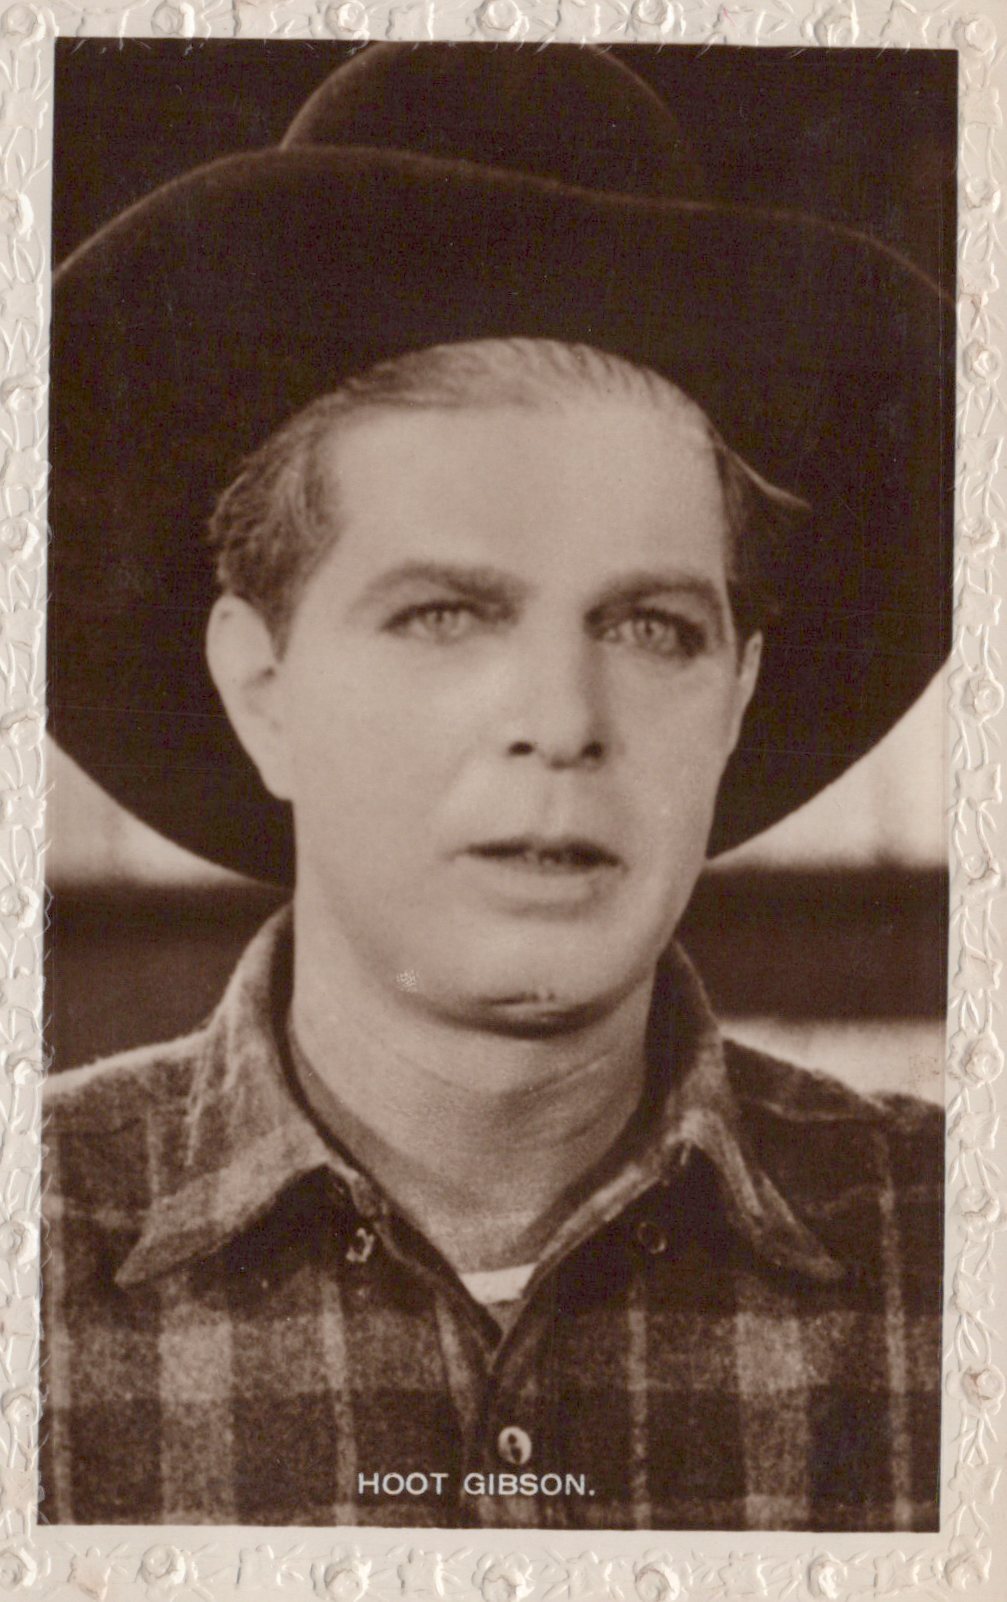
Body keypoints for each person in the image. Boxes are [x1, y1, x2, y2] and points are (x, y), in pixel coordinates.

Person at [42, 44, 949, 1530]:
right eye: (446, 614)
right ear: (260, 684)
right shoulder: (36, 1246)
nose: (562, 721)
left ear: (737, 695)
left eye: (651, 626)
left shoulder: (951, 1255)